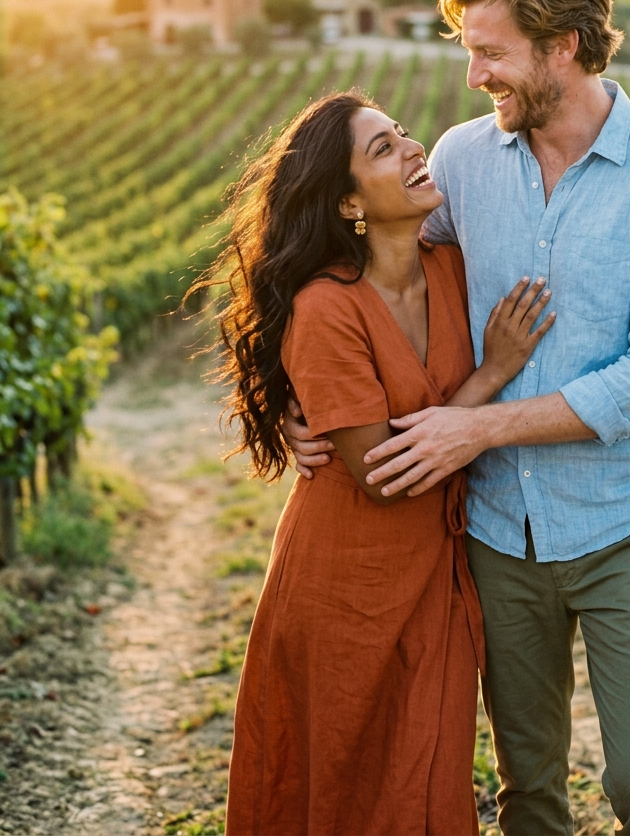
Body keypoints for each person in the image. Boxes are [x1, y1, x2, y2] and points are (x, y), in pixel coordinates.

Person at [287, 0, 630, 836]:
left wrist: (478, 426)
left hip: (628, 521)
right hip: (496, 534)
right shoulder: (458, 161)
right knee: (528, 794)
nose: (474, 75)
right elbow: (376, 286)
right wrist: (301, 397)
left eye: (493, 52)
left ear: (563, 46)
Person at [213, 89, 555, 836]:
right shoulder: (326, 307)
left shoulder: (454, 269)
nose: (411, 148)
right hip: (343, 579)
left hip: (439, 573)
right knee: (340, 779)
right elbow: (385, 473)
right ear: (346, 204)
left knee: (424, 777)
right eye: (382, 148)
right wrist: (492, 374)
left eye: (402, 134)